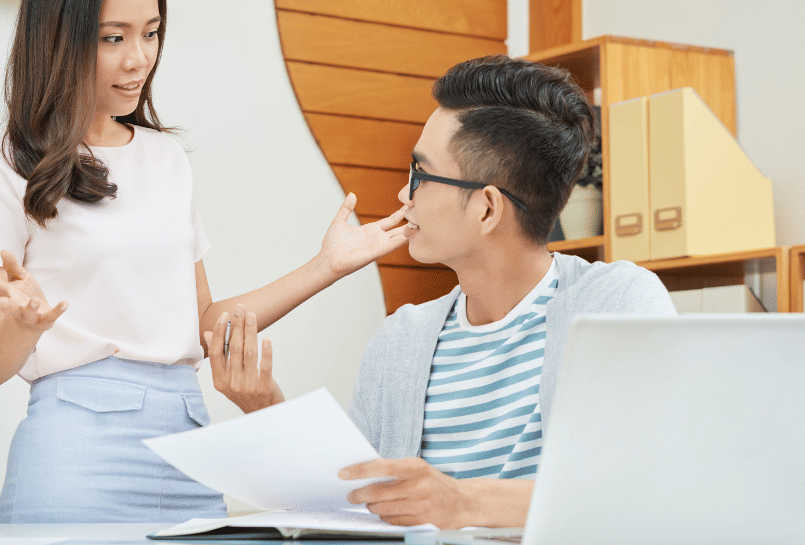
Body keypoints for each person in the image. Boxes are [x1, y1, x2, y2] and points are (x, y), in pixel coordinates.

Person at [0, 0, 407, 524]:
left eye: (151, 32)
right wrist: (22, 328)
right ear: (56, 37)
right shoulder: (5, 165)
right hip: (76, 452)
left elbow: (202, 325)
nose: (139, 58)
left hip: (189, 445)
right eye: (113, 37)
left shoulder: (164, 158)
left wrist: (326, 267)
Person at [246, 55, 678, 529]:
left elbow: (645, 484)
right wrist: (265, 407)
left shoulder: (617, 305)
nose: (403, 196)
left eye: (420, 174)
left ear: (488, 210)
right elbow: (353, 503)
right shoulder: (401, 341)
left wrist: (464, 503)